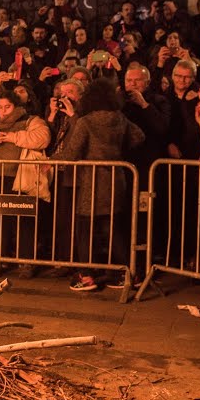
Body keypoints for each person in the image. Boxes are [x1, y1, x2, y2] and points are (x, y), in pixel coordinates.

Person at [51, 78, 145, 292]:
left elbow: (72, 153)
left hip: (92, 181)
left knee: (84, 228)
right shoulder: (119, 118)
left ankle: (86, 276)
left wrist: (51, 160)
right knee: (114, 227)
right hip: (116, 178)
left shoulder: (86, 122)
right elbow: (139, 137)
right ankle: (129, 273)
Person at [0, 91, 51, 276]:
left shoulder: (30, 121)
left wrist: (13, 137)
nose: (3, 111)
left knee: (24, 220)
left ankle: (26, 262)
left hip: (19, 178)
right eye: (0, 107)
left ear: (16, 106)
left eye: (7, 107)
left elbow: (42, 138)